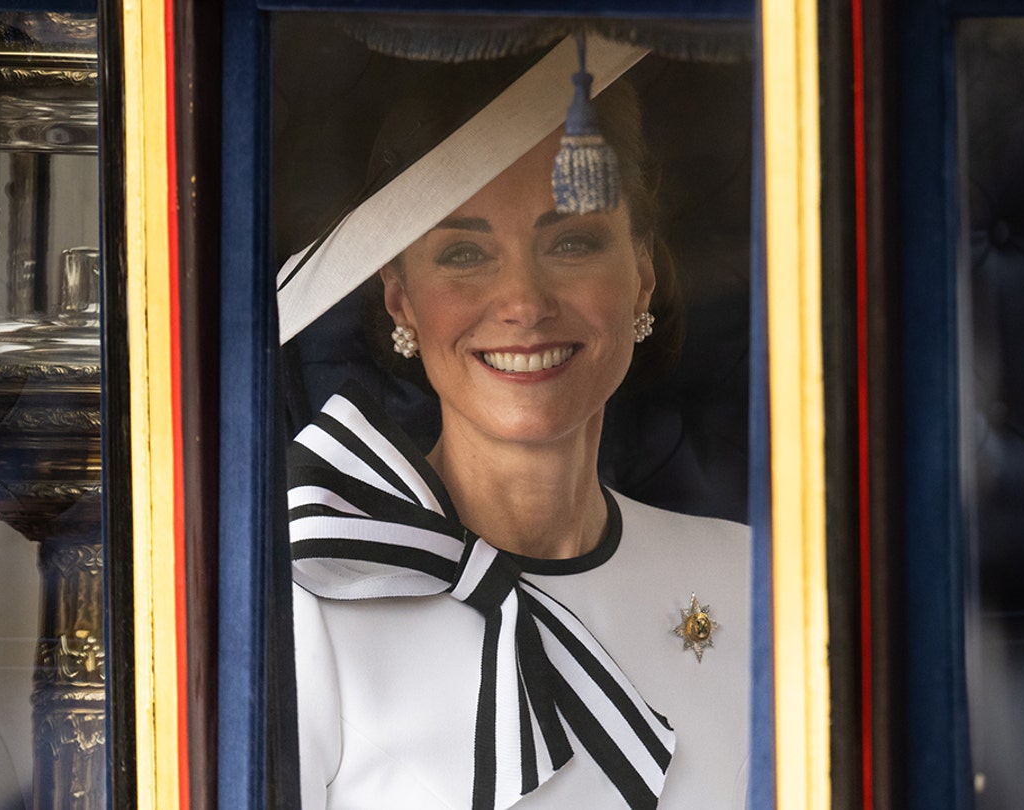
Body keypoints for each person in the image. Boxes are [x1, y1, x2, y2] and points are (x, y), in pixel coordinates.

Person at [284, 36, 750, 810]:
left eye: (570, 242)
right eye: (465, 254)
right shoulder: (312, 597)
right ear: (400, 297)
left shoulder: (750, 581)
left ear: (642, 273)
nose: (524, 304)